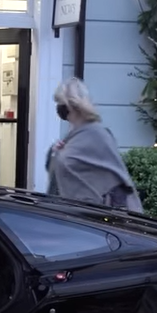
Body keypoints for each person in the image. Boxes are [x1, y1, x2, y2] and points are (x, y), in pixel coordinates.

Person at [46, 77, 143, 213]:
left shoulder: (97, 135)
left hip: (95, 215)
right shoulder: (75, 135)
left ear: (72, 105)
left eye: (61, 104)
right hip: (73, 212)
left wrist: (61, 155)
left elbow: (110, 176)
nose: (59, 109)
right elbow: (60, 171)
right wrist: (55, 153)